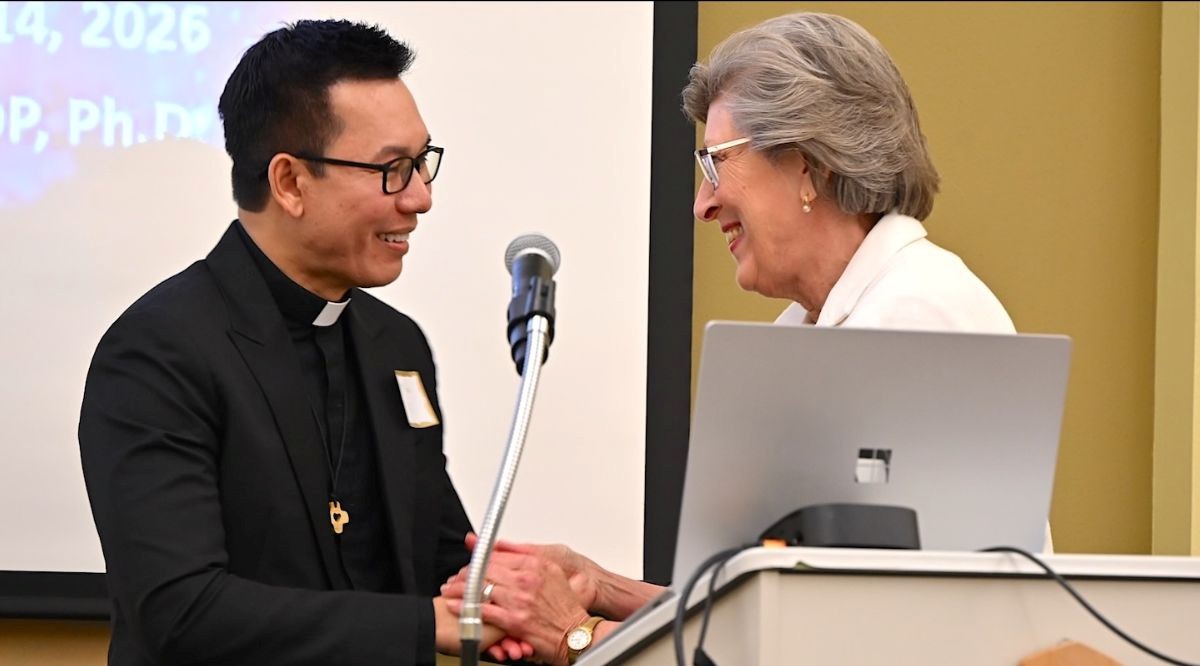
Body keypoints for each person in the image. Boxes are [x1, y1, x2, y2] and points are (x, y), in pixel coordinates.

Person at [440, 11, 1050, 662]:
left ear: (809, 166)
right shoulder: (814, 327)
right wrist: (603, 588)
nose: (702, 204)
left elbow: (875, 637)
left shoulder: (921, 316)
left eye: (715, 163)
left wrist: (577, 637)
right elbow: (777, 610)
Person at [78, 19, 530, 665]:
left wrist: (538, 598)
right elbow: (181, 611)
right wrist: (420, 627)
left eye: (423, 163)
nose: (422, 198)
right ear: (289, 182)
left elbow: (437, 555)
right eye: (392, 170)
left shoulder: (395, 345)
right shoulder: (158, 353)